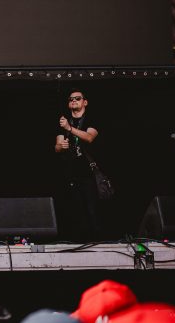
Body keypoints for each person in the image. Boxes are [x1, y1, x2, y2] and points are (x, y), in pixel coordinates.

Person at [54, 90, 100, 240]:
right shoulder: (64, 121)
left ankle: (96, 242)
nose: (74, 100)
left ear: (85, 102)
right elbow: (57, 146)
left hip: (88, 173)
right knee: (74, 211)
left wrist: (69, 128)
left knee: (92, 211)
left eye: (77, 98)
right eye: (71, 99)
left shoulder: (91, 119)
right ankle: (76, 242)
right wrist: (61, 146)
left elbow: (89, 137)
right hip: (70, 173)